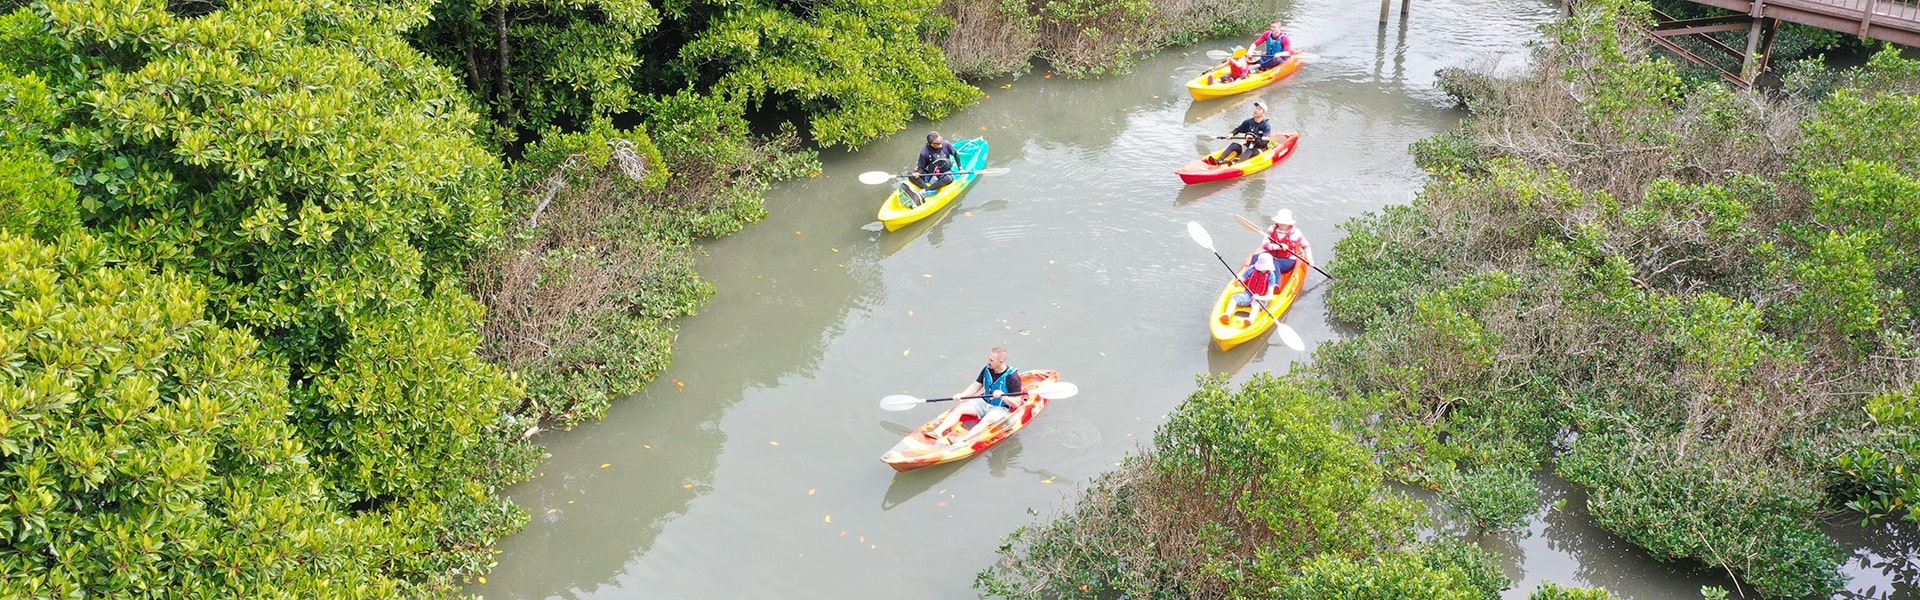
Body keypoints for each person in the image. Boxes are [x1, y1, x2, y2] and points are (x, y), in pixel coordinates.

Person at [927, 347, 1024, 443]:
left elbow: (1016, 403)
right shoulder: (987, 369)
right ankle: (938, 432)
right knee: (960, 408)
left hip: (1000, 408)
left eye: (991, 360)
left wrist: (1003, 396)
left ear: (1001, 361)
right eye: (989, 358)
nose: (988, 362)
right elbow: (976, 386)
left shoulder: (1013, 377)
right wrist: (962, 395)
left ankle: (963, 440)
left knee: (988, 419)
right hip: (983, 402)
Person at [904, 131, 958, 208]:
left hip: (945, 172)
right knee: (910, 174)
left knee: (949, 178)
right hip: (931, 173)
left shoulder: (946, 144)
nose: (941, 144)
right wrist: (918, 173)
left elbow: (956, 155)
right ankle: (927, 188)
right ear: (932, 144)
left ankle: (927, 189)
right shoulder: (924, 152)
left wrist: (961, 168)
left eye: (941, 141)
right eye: (938, 143)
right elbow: (921, 167)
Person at [1223, 250, 1276, 326]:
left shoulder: (1271, 276)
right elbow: (1239, 284)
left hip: (1260, 299)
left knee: (1255, 303)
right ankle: (1227, 315)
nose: (1263, 269)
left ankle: (1250, 320)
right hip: (1248, 294)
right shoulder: (1251, 269)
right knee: (1234, 298)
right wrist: (1237, 280)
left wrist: (1259, 297)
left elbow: (1270, 296)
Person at [1261, 208, 1309, 276]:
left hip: (1287, 260)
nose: (1282, 223)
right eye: (1281, 221)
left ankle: (1276, 285)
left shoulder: (1295, 233)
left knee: (1274, 264)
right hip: (1271, 256)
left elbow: (1306, 245)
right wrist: (1277, 247)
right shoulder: (1271, 229)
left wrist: (1310, 259)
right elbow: (1264, 244)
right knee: (1256, 257)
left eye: (1285, 221)